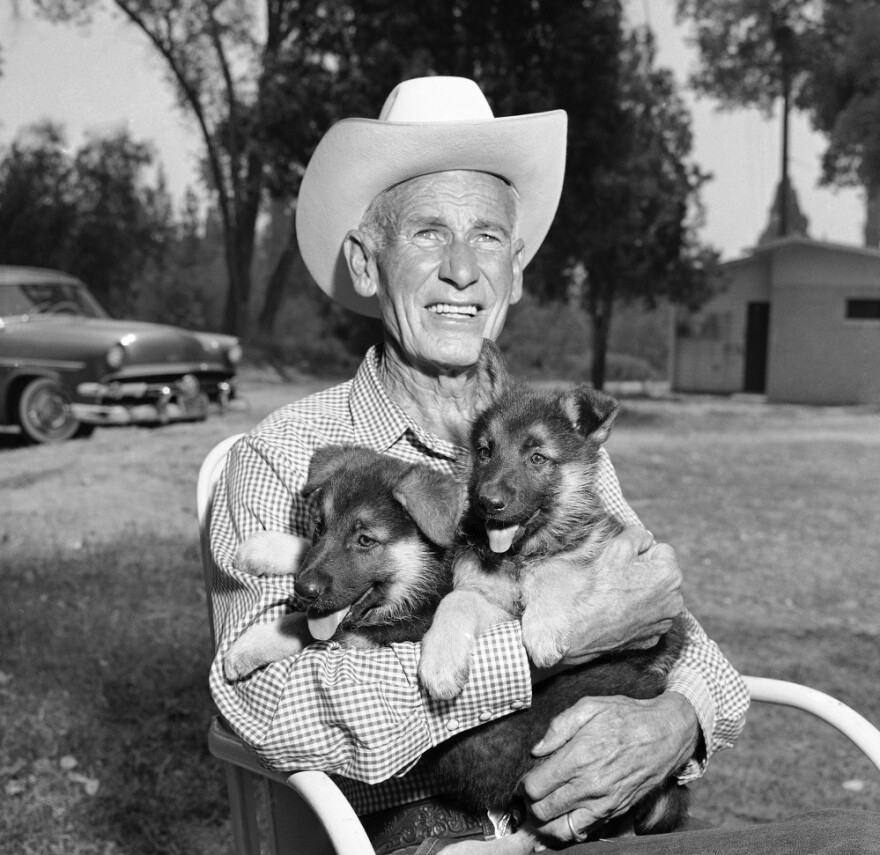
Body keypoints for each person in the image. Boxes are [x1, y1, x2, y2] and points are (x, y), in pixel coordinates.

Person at [208, 77, 878, 853]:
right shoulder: (286, 453)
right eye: (428, 233)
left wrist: (676, 718)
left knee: (858, 837)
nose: (463, 267)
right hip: (426, 829)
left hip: (598, 823)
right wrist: (527, 650)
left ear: (516, 270)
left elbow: (671, 622)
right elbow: (262, 701)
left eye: (488, 237)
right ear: (366, 262)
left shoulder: (552, 450)